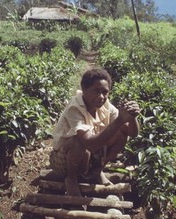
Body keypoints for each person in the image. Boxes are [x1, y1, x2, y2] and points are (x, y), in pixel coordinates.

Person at [49, 67, 141, 196]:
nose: (101, 97)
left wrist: (132, 117)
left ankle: (97, 170)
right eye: (96, 91)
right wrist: (119, 120)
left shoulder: (105, 105)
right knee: (78, 141)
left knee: (121, 134)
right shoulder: (75, 108)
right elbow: (89, 144)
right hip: (63, 161)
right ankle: (71, 178)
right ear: (84, 90)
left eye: (105, 92)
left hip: (89, 156)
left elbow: (132, 133)